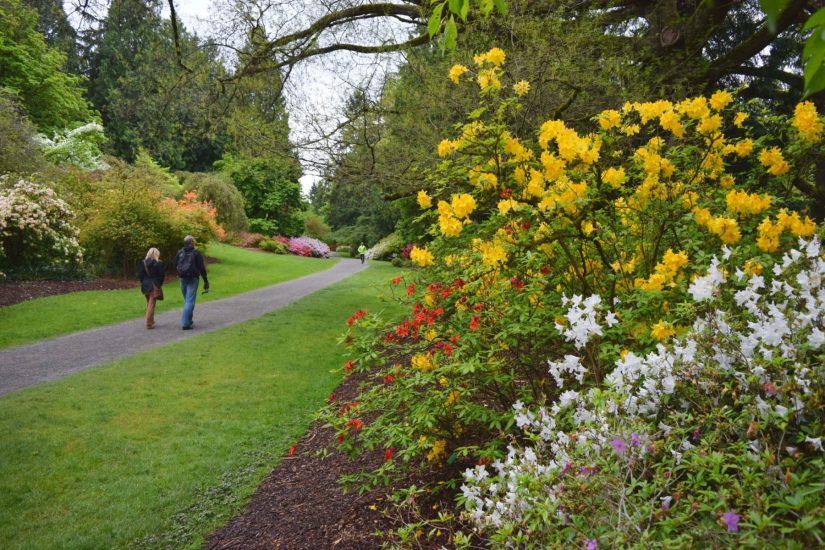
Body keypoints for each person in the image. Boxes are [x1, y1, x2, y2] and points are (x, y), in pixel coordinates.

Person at [174, 235, 209, 330]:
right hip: (193, 278)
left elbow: (174, 264)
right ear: (192, 242)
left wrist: (178, 273)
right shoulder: (196, 253)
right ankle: (186, 323)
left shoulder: (179, 252)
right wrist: (205, 281)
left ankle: (189, 321)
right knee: (189, 301)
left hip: (182, 278)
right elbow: (201, 268)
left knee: (187, 300)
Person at [137, 247, 165, 329]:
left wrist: (143, 282)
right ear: (157, 254)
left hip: (145, 285)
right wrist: (159, 284)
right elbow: (162, 275)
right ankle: (149, 323)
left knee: (149, 303)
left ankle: (151, 321)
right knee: (151, 304)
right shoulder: (159, 263)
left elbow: (140, 275)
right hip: (154, 285)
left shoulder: (143, 262)